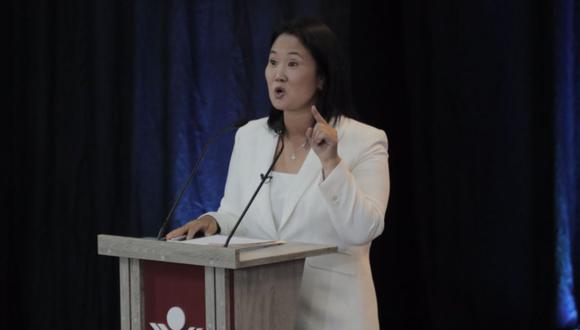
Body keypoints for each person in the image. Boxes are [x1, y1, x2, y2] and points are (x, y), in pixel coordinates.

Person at [167, 17, 390, 330]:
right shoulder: (249, 136)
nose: (278, 74)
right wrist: (214, 221)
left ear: (322, 77)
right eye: (273, 62)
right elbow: (236, 214)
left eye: (293, 63)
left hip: (333, 314)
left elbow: (363, 230)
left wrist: (332, 163)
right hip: (261, 311)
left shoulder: (364, 140)